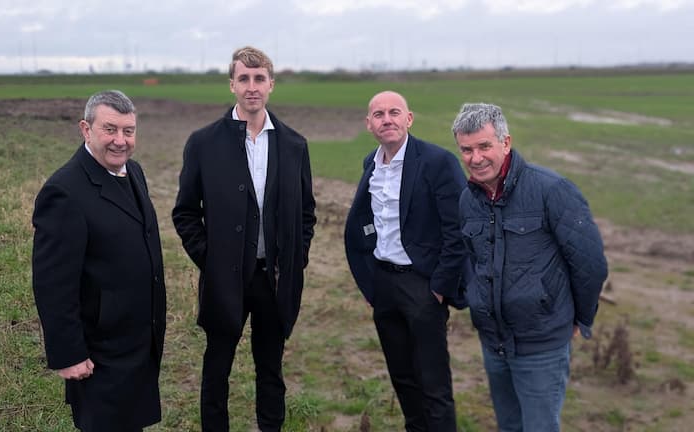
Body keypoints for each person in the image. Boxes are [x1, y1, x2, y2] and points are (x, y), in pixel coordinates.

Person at [171, 46, 316, 432]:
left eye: (259, 79)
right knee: (216, 369)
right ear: (232, 84)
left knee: (271, 369)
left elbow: (306, 214)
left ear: (271, 85)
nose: (252, 87)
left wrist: (294, 260)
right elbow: (185, 212)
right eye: (243, 79)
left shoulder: (294, 145)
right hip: (225, 281)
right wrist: (212, 260)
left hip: (274, 279)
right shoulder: (203, 143)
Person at [451, 102, 608, 432]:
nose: (475, 158)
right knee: (510, 426)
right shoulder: (468, 200)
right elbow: (470, 258)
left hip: (541, 343)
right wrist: (476, 297)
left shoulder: (552, 190)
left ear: (505, 143)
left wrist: (580, 317)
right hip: (494, 342)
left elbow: (589, 263)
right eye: (466, 149)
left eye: (484, 146)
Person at [32, 90, 166, 432]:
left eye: (128, 131)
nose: (120, 140)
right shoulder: (64, 191)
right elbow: (53, 282)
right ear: (85, 129)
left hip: (136, 338)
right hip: (99, 351)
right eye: (110, 129)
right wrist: (68, 354)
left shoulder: (133, 172)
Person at [344, 90, 467, 431]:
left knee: (434, 384)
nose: (388, 119)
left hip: (423, 287)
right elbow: (367, 224)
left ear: (408, 118)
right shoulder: (371, 163)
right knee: (403, 378)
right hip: (384, 285)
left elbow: (458, 231)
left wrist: (440, 288)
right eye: (379, 114)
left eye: (394, 112)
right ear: (369, 124)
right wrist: (370, 284)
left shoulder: (437, 162)